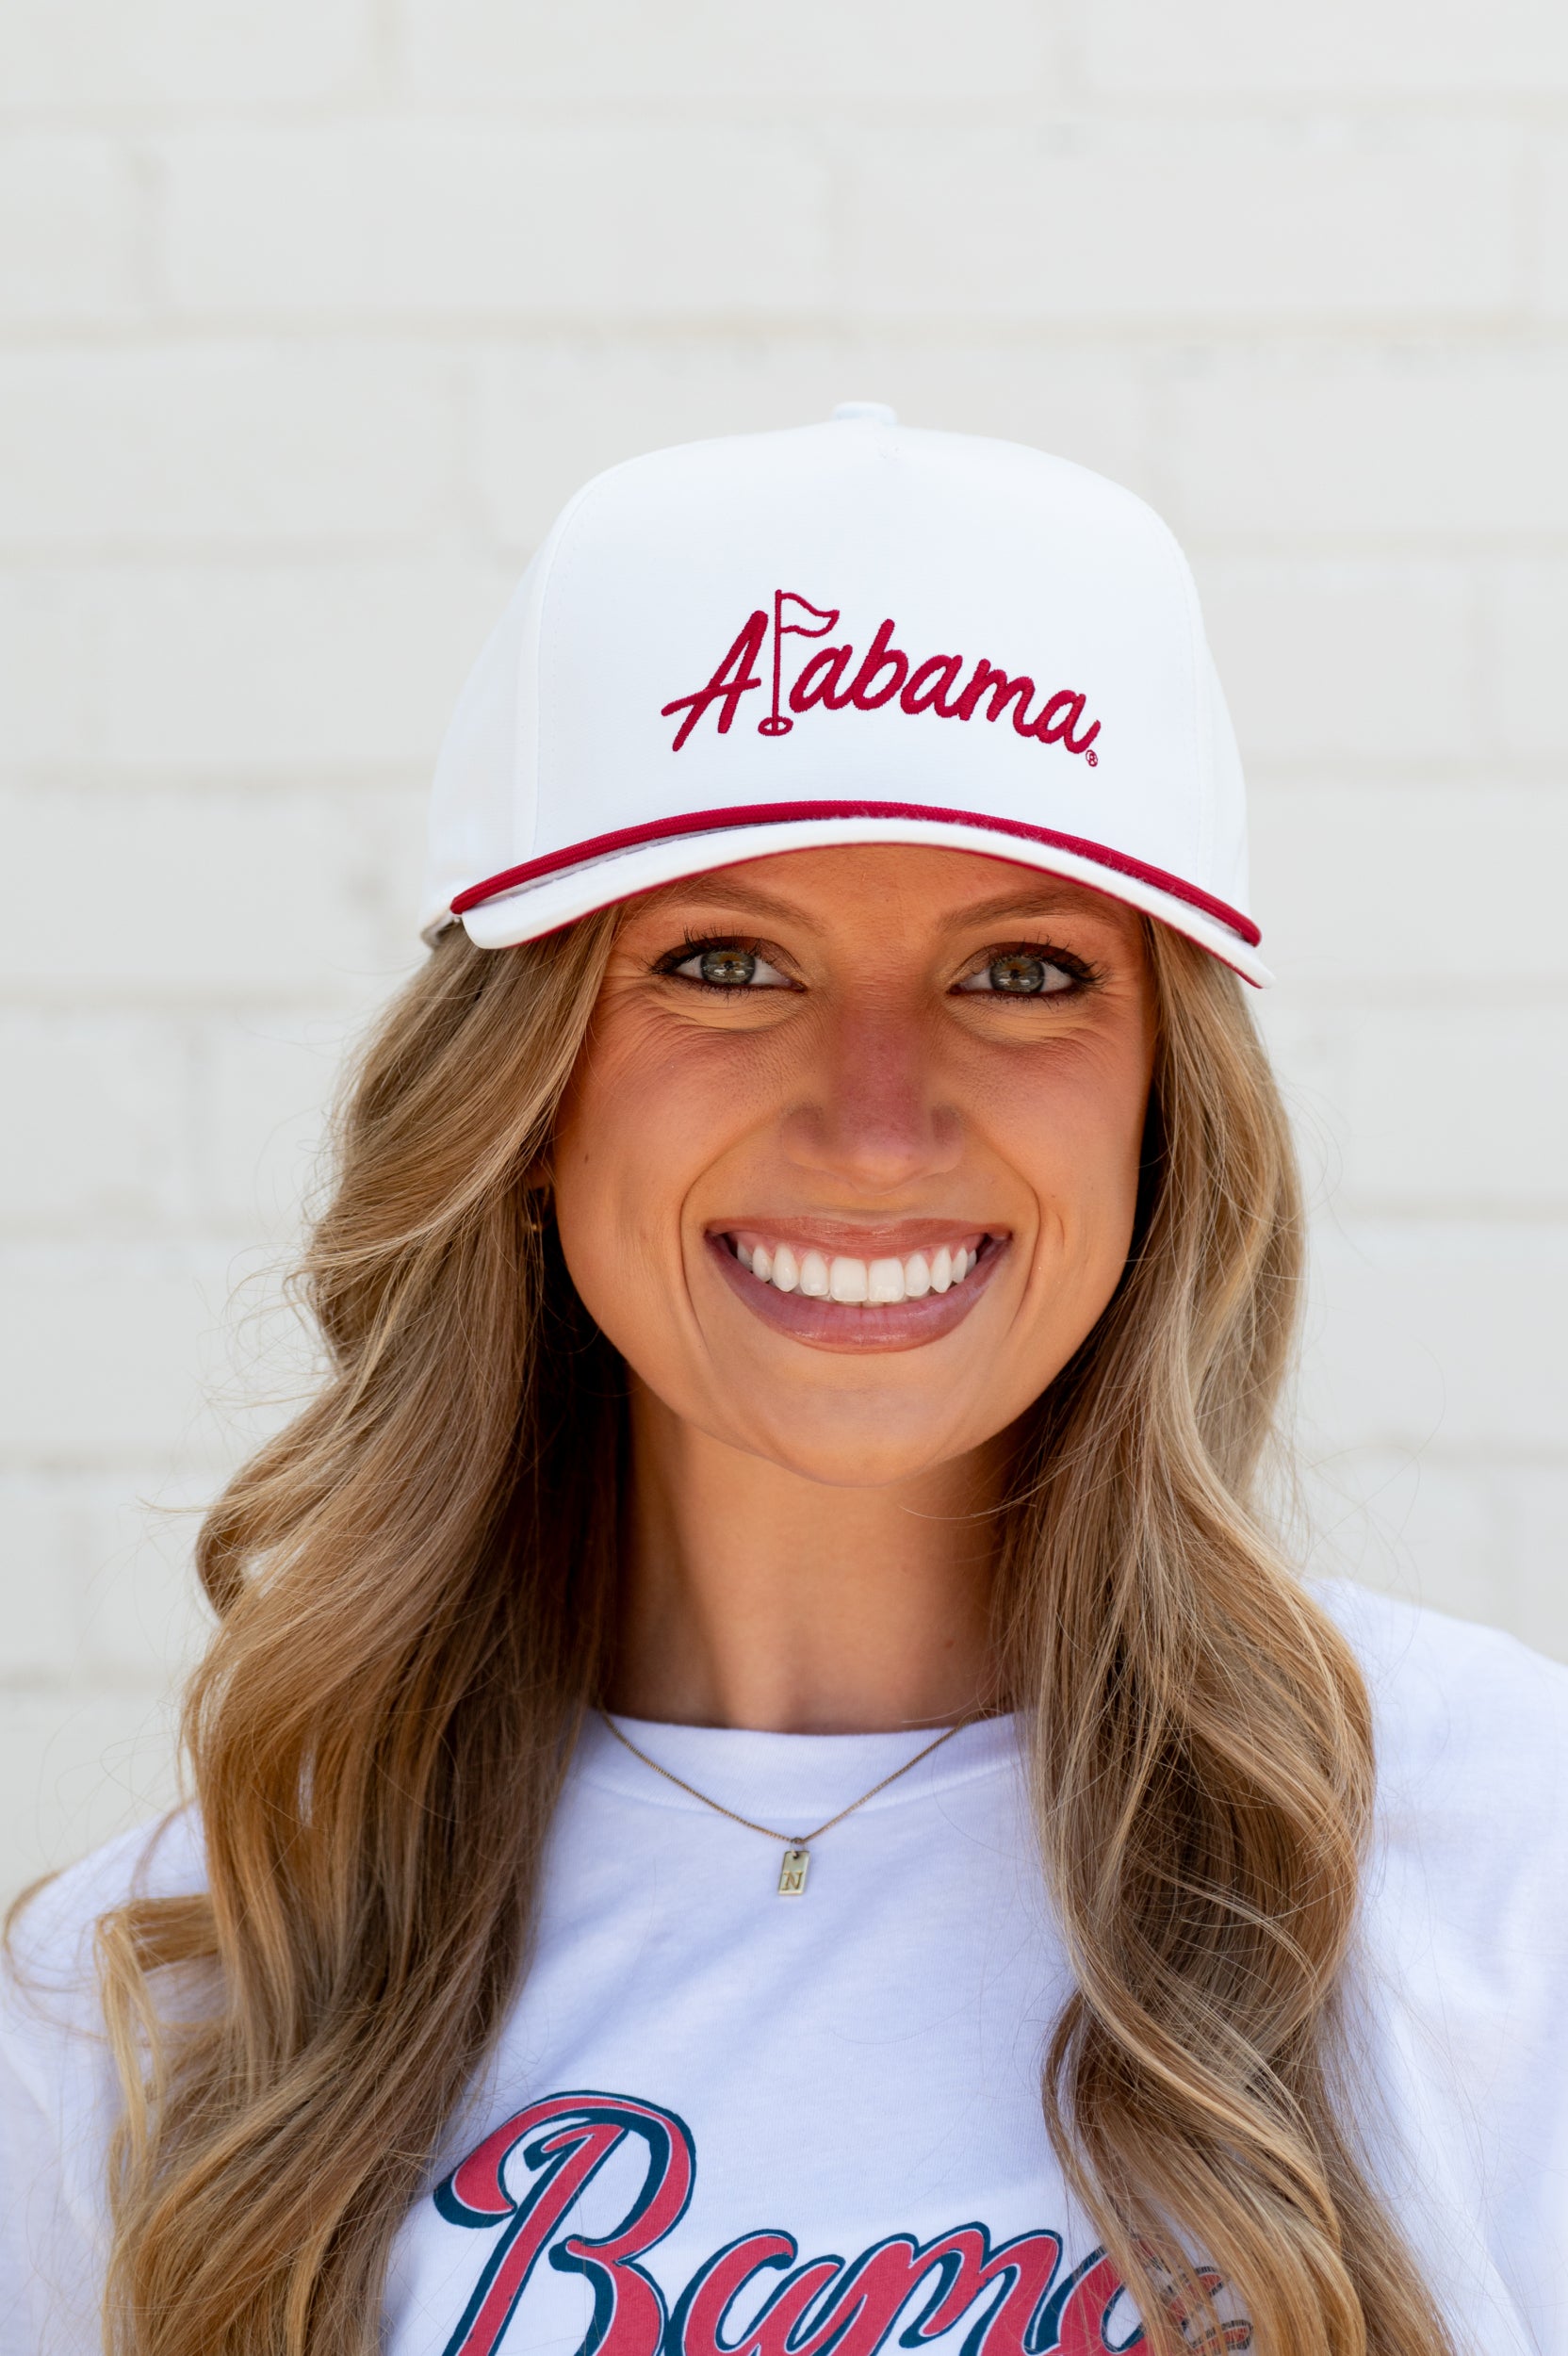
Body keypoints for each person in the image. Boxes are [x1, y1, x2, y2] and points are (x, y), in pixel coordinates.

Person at [3, 404, 1564, 2356]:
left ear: (1168, 1101)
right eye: (727, 962)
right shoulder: (164, 2013)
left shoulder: (1501, 1861)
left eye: (1024, 969)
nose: (879, 1122)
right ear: (523, 1084)